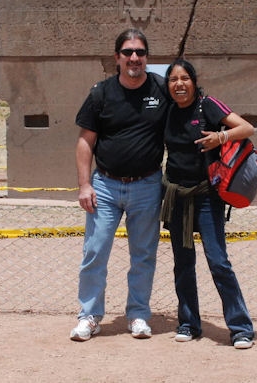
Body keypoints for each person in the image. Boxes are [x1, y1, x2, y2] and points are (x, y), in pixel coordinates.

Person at [71, 28, 168, 341]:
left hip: (148, 186)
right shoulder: (101, 93)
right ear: (117, 58)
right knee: (95, 252)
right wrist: (85, 185)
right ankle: (89, 316)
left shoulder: (162, 90)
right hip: (106, 187)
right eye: (127, 52)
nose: (134, 58)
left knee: (143, 255)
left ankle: (138, 315)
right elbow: (85, 142)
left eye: (140, 52)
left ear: (147, 57)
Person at [160, 58, 255, 349]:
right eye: (173, 79)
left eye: (184, 78)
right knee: (183, 264)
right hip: (176, 198)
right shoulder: (167, 112)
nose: (179, 84)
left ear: (194, 80)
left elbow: (247, 128)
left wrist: (221, 136)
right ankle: (189, 323)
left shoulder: (208, 105)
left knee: (218, 263)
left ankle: (240, 328)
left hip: (206, 198)